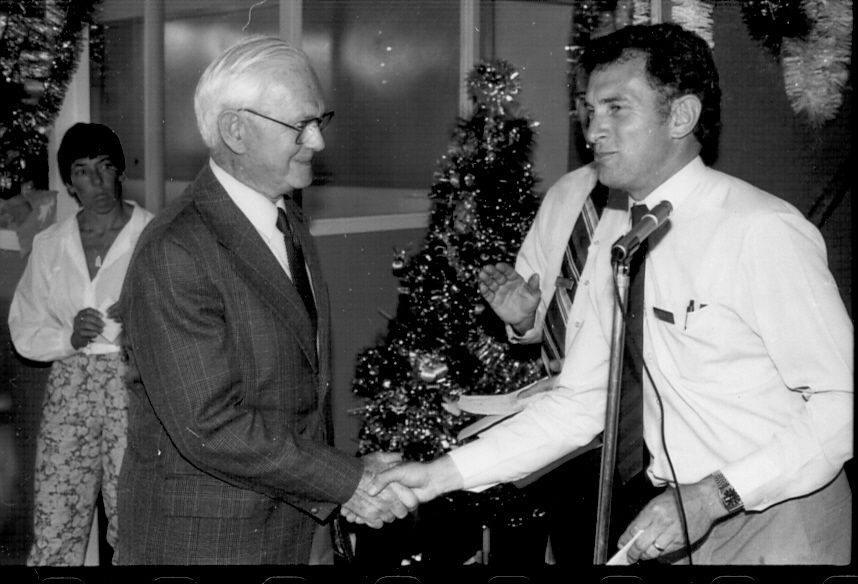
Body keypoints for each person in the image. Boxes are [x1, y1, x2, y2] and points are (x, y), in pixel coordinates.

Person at [364, 23, 853, 565]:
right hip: (684, 520)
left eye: (616, 107)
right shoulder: (619, 236)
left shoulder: (760, 229)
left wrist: (714, 496)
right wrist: (436, 476)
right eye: (589, 109)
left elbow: (842, 407)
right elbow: (579, 405)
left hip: (779, 518)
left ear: (682, 117)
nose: (593, 129)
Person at [116, 36, 415, 565]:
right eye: (299, 124)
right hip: (206, 545)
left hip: (289, 532)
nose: (317, 141)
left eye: (321, 120)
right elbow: (210, 427)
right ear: (235, 129)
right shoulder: (176, 250)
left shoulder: (288, 221)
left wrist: (340, 482)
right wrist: (348, 480)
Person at [8, 122, 154, 565]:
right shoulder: (52, 244)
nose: (96, 182)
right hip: (70, 386)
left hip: (133, 386)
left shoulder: (154, 235)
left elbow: (187, 317)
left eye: (105, 167)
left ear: (119, 171)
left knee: (132, 519)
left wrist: (137, 322)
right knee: (56, 516)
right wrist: (67, 336)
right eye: (83, 171)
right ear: (69, 182)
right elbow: (25, 324)